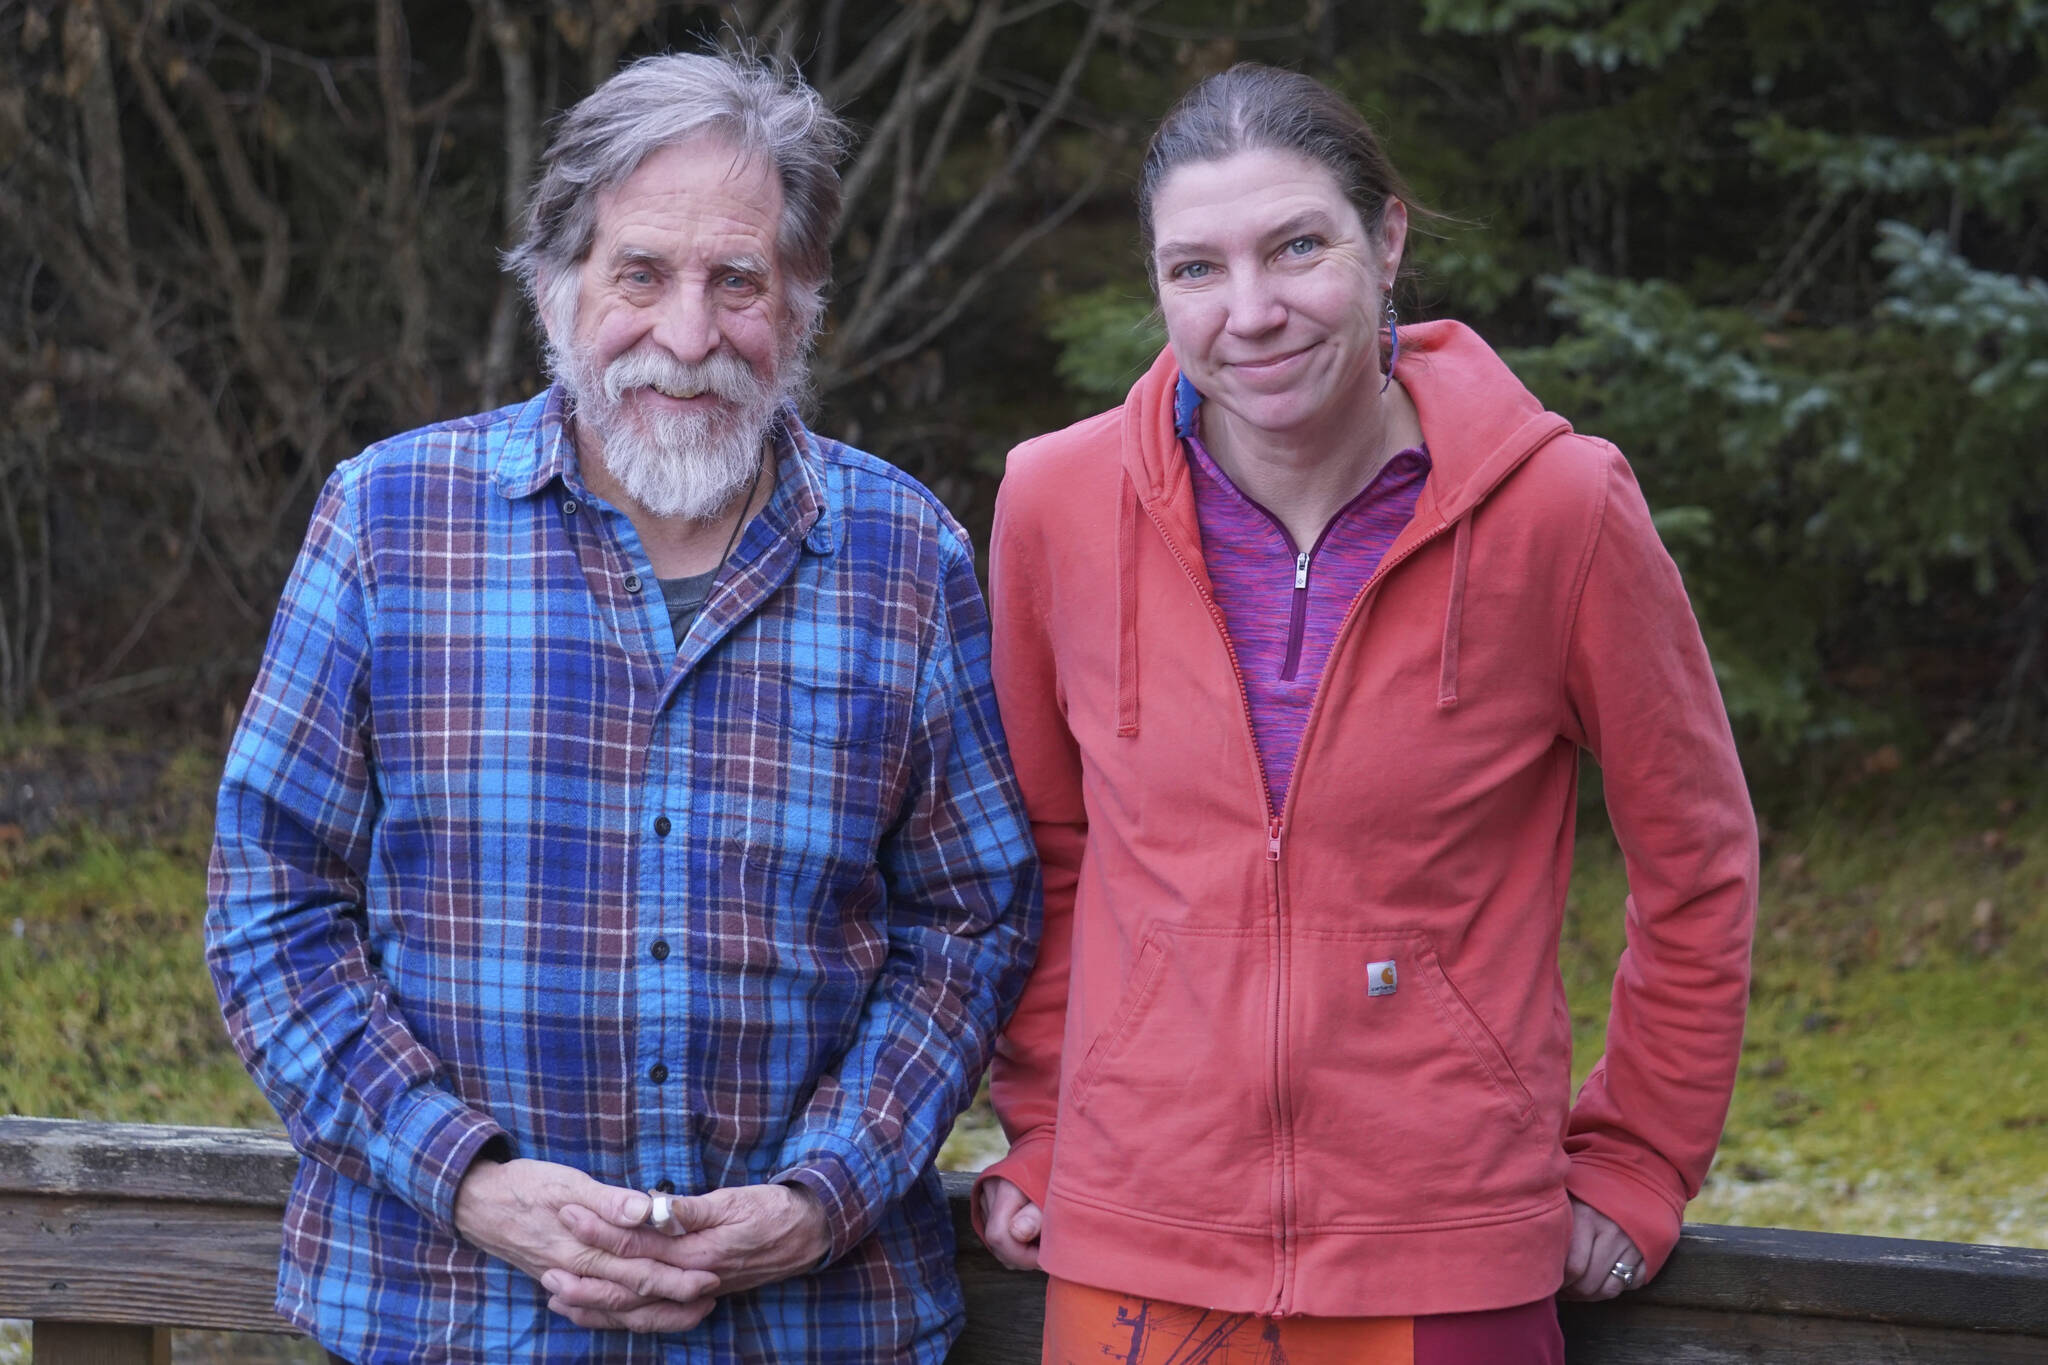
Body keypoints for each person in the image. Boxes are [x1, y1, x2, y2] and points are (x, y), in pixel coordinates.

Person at [206, 51, 1039, 1363]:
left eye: (740, 282)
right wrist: (472, 1180)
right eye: (641, 273)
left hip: (812, 1323)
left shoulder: (907, 555)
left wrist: (818, 1197)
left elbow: (970, 921)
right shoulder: (388, 523)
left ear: (805, 302)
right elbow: (271, 908)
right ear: (555, 283)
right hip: (450, 1310)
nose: (689, 335)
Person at [975, 63, 1757, 1362]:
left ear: (1386, 236)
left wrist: (1637, 1155)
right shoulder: (1055, 502)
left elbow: (1697, 860)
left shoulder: (1560, 507)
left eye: (1297, 247)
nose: (1253, 311)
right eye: (1198, 269)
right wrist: (1051, 1126)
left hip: (1444, 1248)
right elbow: (1041, 853)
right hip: (1136, 1249)